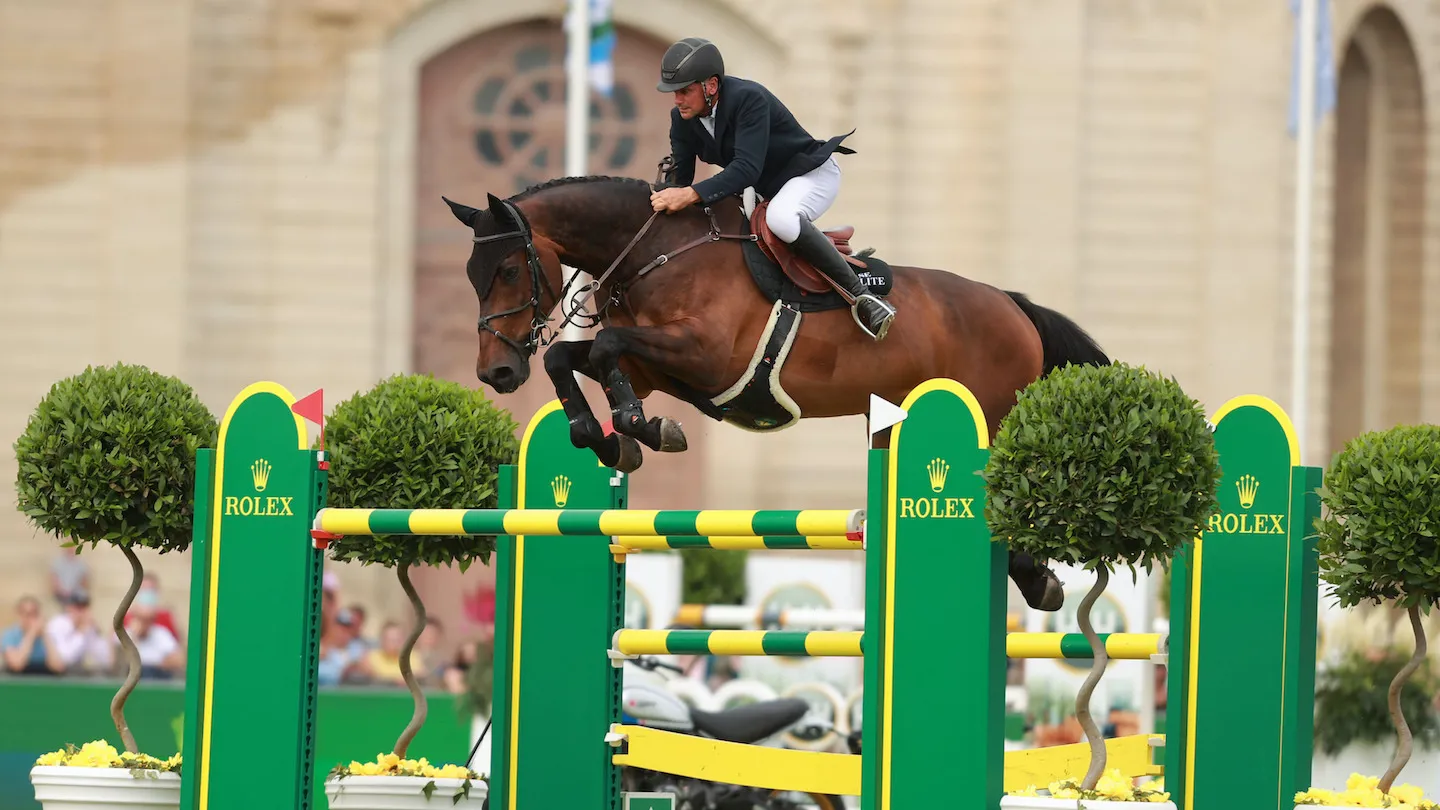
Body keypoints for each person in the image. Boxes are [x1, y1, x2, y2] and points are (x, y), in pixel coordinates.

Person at [649, 37, 897, 340]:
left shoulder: (748, 99)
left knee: (780, 218)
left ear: (711, 86)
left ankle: (865, 299)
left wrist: (689, 194)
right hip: (767, 190)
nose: (677, 100)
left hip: (811, 175)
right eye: (675, 92)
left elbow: (745, 169)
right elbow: (681, 180)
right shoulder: (682, 118)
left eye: (685, 91)